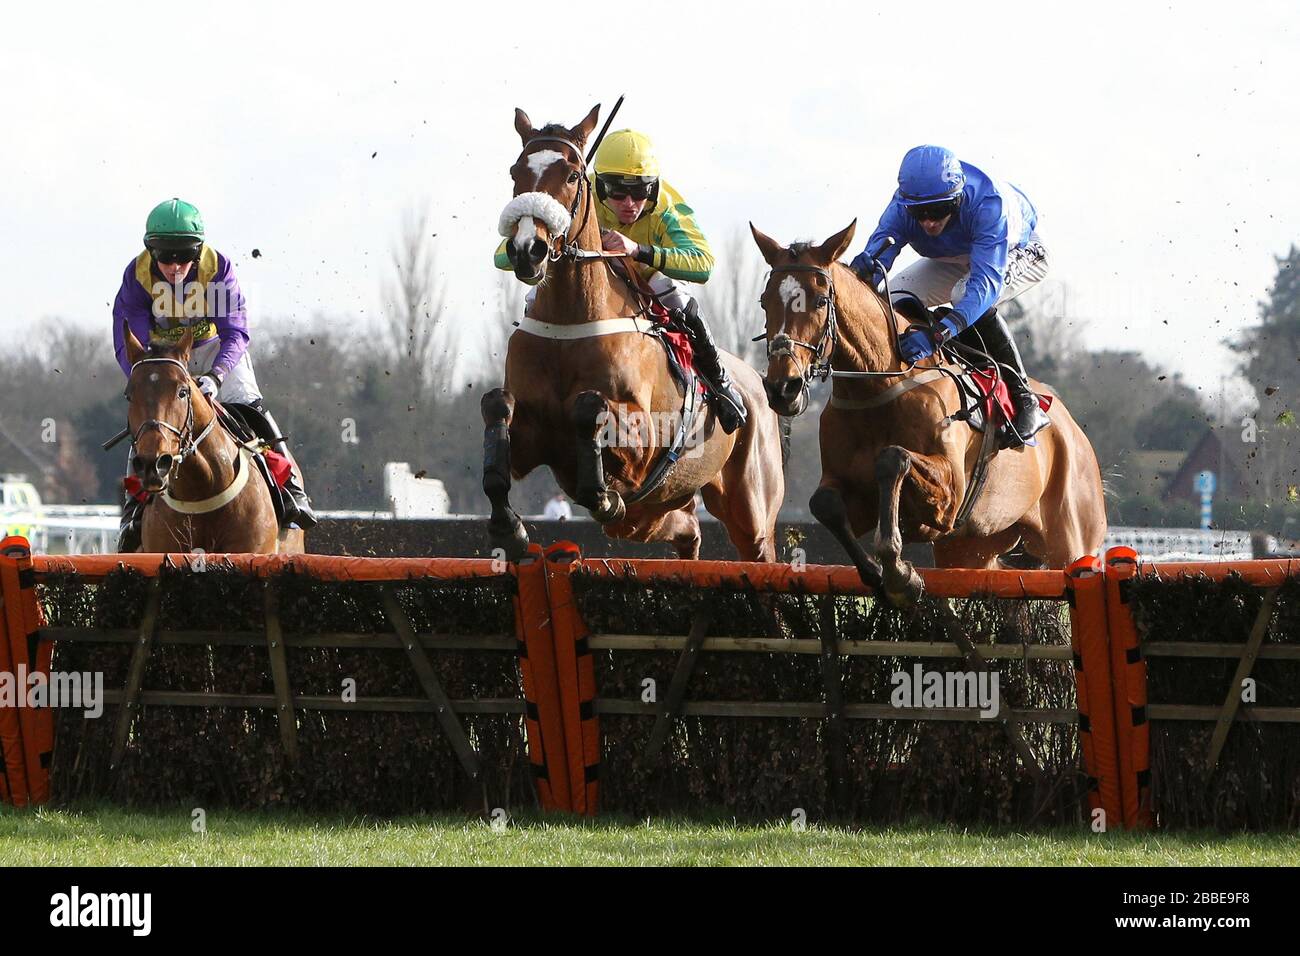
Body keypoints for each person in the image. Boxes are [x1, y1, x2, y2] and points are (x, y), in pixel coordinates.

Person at [496, 129, 747, 433]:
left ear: (653, 188)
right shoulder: (578, 198)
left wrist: (638, 250)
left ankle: (721, 383)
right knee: (535, 300)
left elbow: (702, 264)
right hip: (593, 285)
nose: (629, 203)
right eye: (616, 192)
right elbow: (502, 257)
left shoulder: (667, 206)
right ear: (598, 185)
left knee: (680, 300)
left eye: (640, 191)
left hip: (647, 277)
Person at [112, 198, 317, 551]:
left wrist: (217, 377)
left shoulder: (217, 268)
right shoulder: (136, 276)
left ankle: (290, 491)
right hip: (163, 358)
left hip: (215, 349)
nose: (175, 266)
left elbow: (235, 332)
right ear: (151, 251)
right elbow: (128, 339)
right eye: (166, 257)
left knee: (250, 409)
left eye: (183, 256)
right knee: (151, 422)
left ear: (198, 250)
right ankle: (133, 514)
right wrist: (150, 378)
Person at [850, 146, 1051, 446]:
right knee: (895, 297)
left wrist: (938, 335)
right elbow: (876, 262)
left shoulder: (987, 205)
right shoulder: (902, 207)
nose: (929, 221)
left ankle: (1025, 399)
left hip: (1016, 251)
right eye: (920, 213)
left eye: (939, 210)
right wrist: (862, 272)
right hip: (955, 256)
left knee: (963, 295)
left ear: (957, 199)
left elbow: (983, 287)